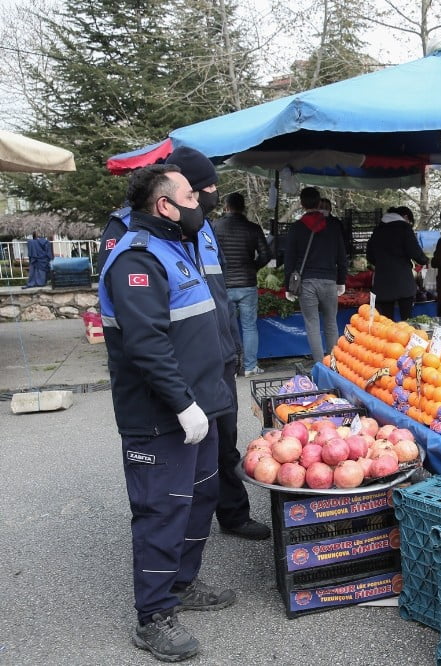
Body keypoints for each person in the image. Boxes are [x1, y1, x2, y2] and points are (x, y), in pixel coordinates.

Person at [98, 164, 235, 662]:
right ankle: (154, 616)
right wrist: (183, 405)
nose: (200, 201)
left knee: (201, 499)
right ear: (165, 206)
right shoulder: (137, 259)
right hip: (162, 415)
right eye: (191, 195)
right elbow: (146, 344)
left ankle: (182, 583)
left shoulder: (179, 247)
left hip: (202, 404)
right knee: (162, 510)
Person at [97, 148, 270, 543]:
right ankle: (171, 550)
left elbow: (216, 291)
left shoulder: (201, 226)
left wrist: (230, 346)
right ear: (170, 198)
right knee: (175, 471)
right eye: (201, 188)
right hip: (176, 369)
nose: (210, 194)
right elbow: (140, 324)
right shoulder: (129, 236)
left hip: (217, 356)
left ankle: (229, 514)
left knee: (222, 445)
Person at [284, 187, 348, 364]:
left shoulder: (296, 228)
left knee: (312, 324)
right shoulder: (334, 226)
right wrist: (341, 280)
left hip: (306, 283)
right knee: (331, 323)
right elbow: (342, 256)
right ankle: (334, 363)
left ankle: (320, 364)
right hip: (329, 281)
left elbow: (289, 259)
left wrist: (287, 286)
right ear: (319, 202)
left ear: (302, 204)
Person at [212, 192, 271, 376]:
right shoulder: (252, 228)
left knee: (225, 327)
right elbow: (266, 254)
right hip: (247, 283)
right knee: (249, 326)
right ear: (243, 207)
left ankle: (229, 367)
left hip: (224, 284)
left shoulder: (215, 227)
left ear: (226, 207)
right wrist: (253, 267)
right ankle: (250, 366)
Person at [366, 210, 428, 321]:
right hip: (403, 281)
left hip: (383, 282)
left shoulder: (378, 230)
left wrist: (383, 264)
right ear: (404, 216)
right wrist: (425, 260)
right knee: (407, 321)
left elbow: (370, 256)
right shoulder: (404, 228)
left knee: (386, 322)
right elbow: (416, 253)